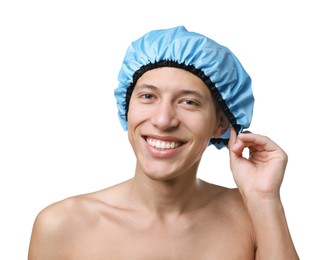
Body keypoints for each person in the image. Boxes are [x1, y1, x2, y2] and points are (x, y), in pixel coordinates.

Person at [28, 26, 299, 259]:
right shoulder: (62, 225)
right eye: (148, 96)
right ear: (127, 105)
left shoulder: (251, 217)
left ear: (222, 122)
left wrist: (264, 199)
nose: (163, 119)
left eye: (189, 102)